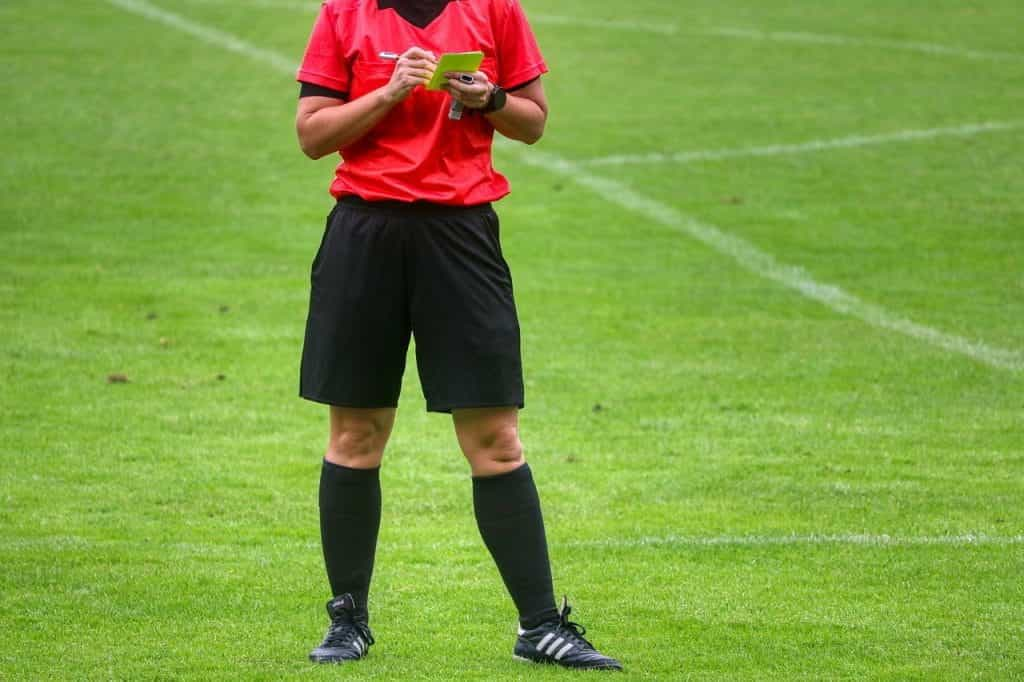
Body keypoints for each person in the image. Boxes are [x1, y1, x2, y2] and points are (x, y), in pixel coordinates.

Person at [293, 0, 621, 671]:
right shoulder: (345, 13)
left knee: (496, 440)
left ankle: (540, 626)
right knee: (356, 436)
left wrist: (490, 96)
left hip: (462, 237)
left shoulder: (494, 10)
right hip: (364, 236)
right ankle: (347, 620)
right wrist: (391, 91)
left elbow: (531, 123)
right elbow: (313, 134)